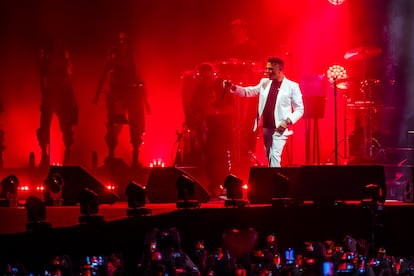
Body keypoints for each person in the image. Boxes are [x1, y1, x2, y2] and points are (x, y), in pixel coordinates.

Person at [223, 57, 304, 167]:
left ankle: (275, 181)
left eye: (271, 69)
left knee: (274, 155)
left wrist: (287, 121)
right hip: (266, 126)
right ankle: (275, 179)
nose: (268, 72)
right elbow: (249, 92)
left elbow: (300, 109)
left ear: (280, 69)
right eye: (267, 69)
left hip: (280, 127)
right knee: (269, 156)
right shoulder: (264, 82)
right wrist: (234, 87)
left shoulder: (292, 86)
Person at [95, 32, 150, 167]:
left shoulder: (133, 58)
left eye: (124, 41)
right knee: (115, 123)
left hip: (133, 94)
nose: (121, 44)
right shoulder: (112, 59)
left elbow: (141, 77)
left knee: (136, 125)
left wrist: (146, 100)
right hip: (118, 94)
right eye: (119, 41)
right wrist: (97, 94)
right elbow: (103, 76)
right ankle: (111, 153)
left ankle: (135, 157)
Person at [37, 37, 78, 167]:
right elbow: (41, 79)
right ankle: (44, 154)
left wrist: (73, 98)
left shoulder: (65, 60)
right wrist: (44, 95)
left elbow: (69, 79)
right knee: (44, 127)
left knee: (66, 128)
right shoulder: (46, 59)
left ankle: (67, 154)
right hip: (50, 95)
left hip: (63, 97)